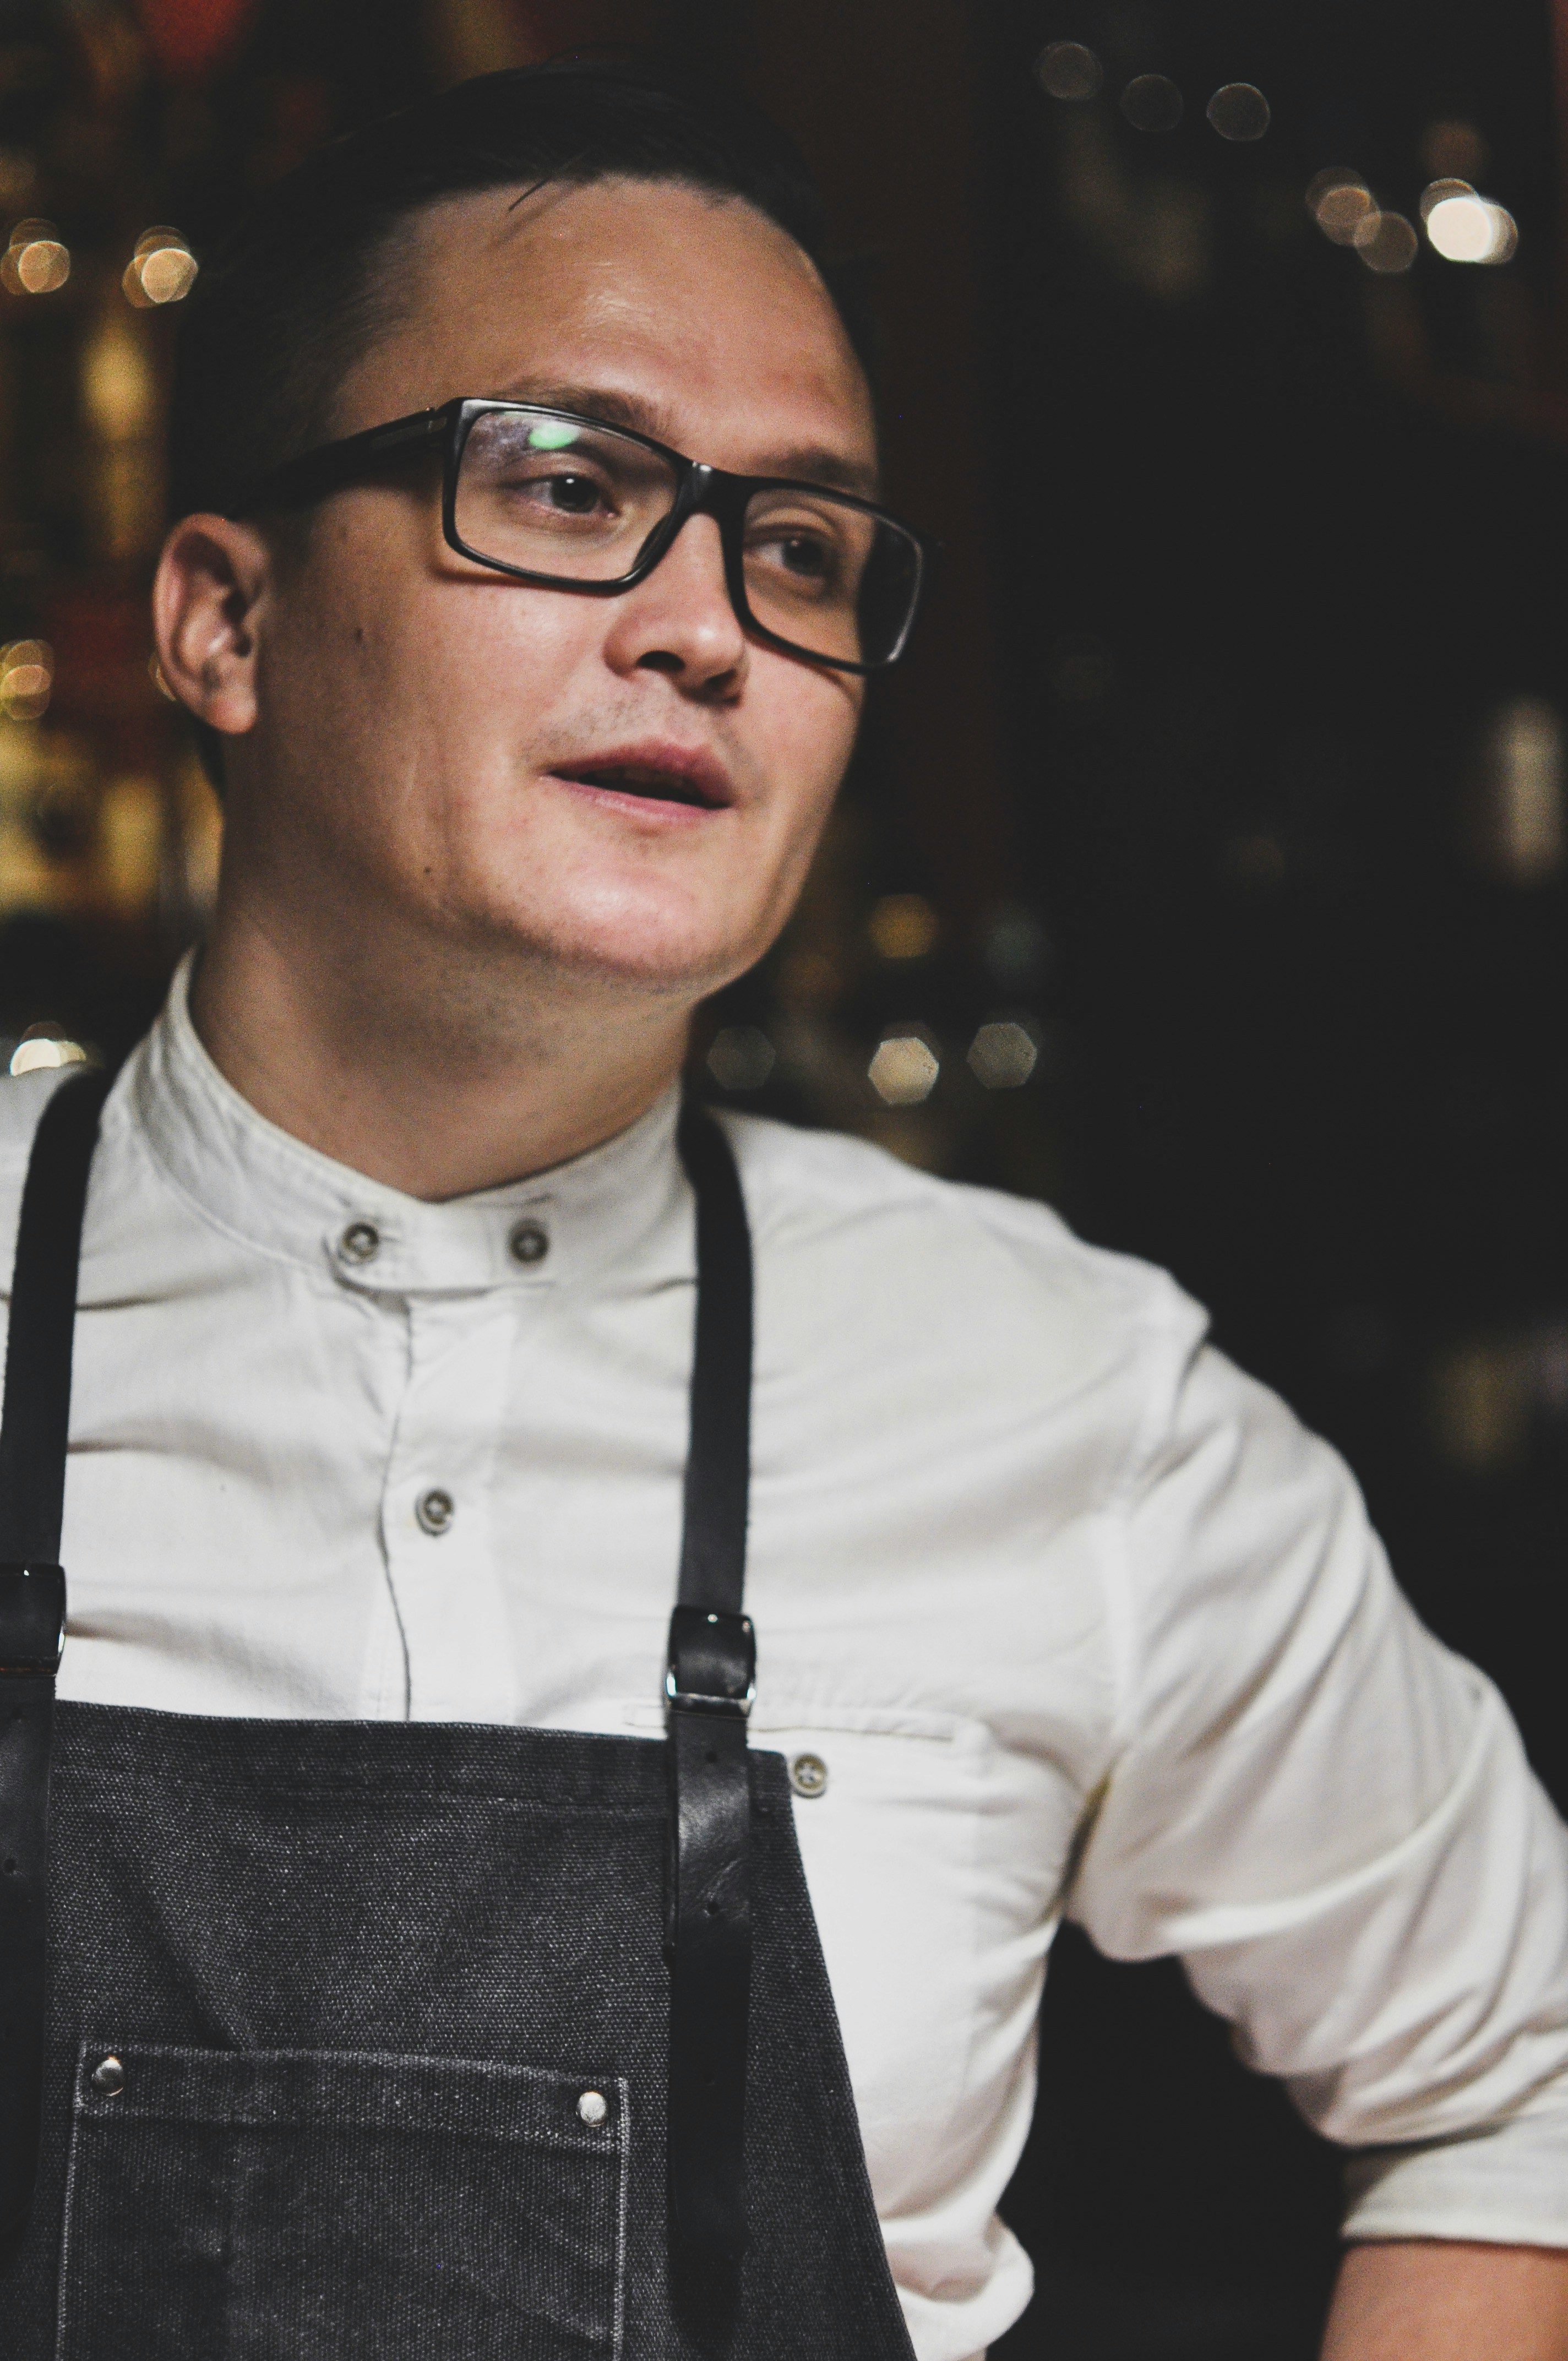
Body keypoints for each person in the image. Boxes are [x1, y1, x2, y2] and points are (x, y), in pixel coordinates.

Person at [1, 55, 1566, 2361]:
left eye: (802, 546)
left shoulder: (1064, 1394)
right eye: (564, 484)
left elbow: (1508, 2083)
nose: (708, 624)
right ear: (221, 623)